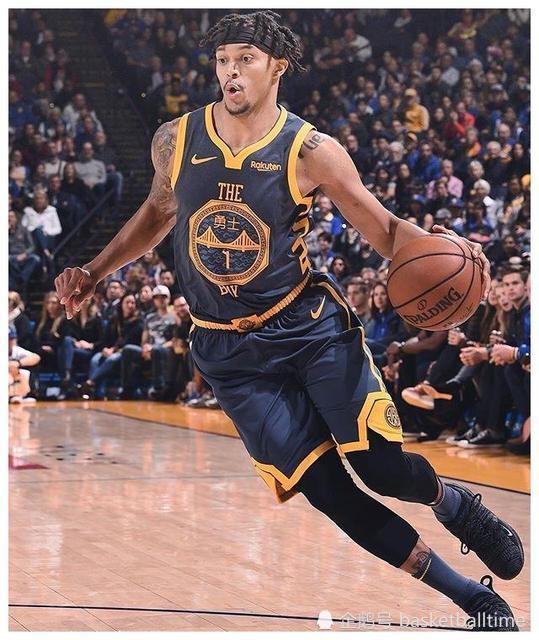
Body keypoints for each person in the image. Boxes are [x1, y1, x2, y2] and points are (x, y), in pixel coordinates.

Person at [54, 10, 520, 630]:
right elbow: (158, 211)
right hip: (228, 353)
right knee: (328, 493)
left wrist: (449, 248)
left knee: (381, 469)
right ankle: (471, 597)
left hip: (307, 329)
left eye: (244, 59)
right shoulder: (176, 139)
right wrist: (93, 270)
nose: (230, 72)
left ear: (276, 67)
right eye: (222, 60)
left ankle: (454, 504)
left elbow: (384, 231)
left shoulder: (312, 150)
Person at [9, 325, 41, 404]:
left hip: (13, 383)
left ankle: (17, 395)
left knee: (23, 373)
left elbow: (36, 357)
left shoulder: (16, 350)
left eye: (10, 339)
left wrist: (18, 363)